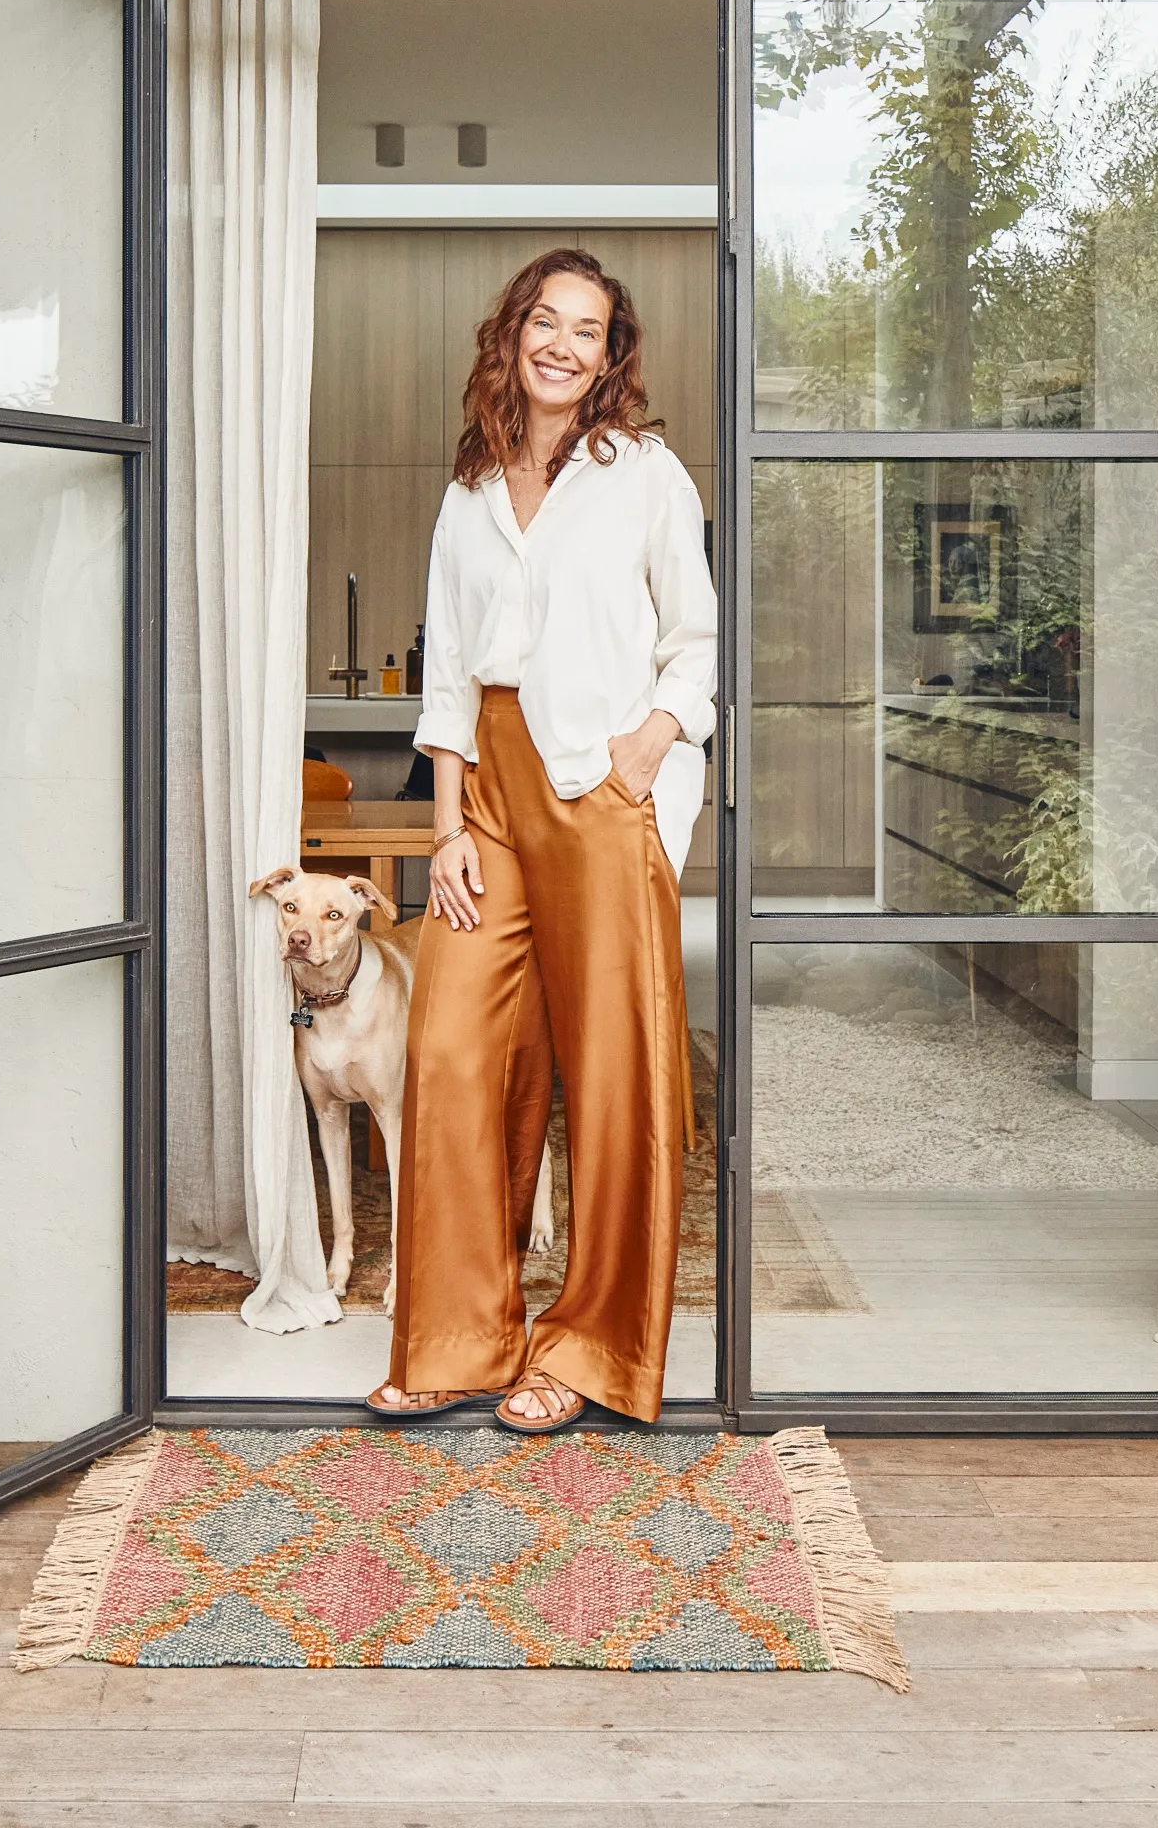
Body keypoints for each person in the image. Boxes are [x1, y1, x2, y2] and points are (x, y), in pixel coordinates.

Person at [369, 248, 717, 1431]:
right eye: (546, 321)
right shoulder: (468, 487)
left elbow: (698, 640)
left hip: (598, 781)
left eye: (590, 328)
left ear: (611, 353)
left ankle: (589, 1351)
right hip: (492, 797)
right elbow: (451, 671)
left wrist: (650, 745)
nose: (564, 343)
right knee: (454, 1050)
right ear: (512, 334)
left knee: (614, 1077)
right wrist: (447, 822)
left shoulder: (645, 475)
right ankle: (461, 1337)